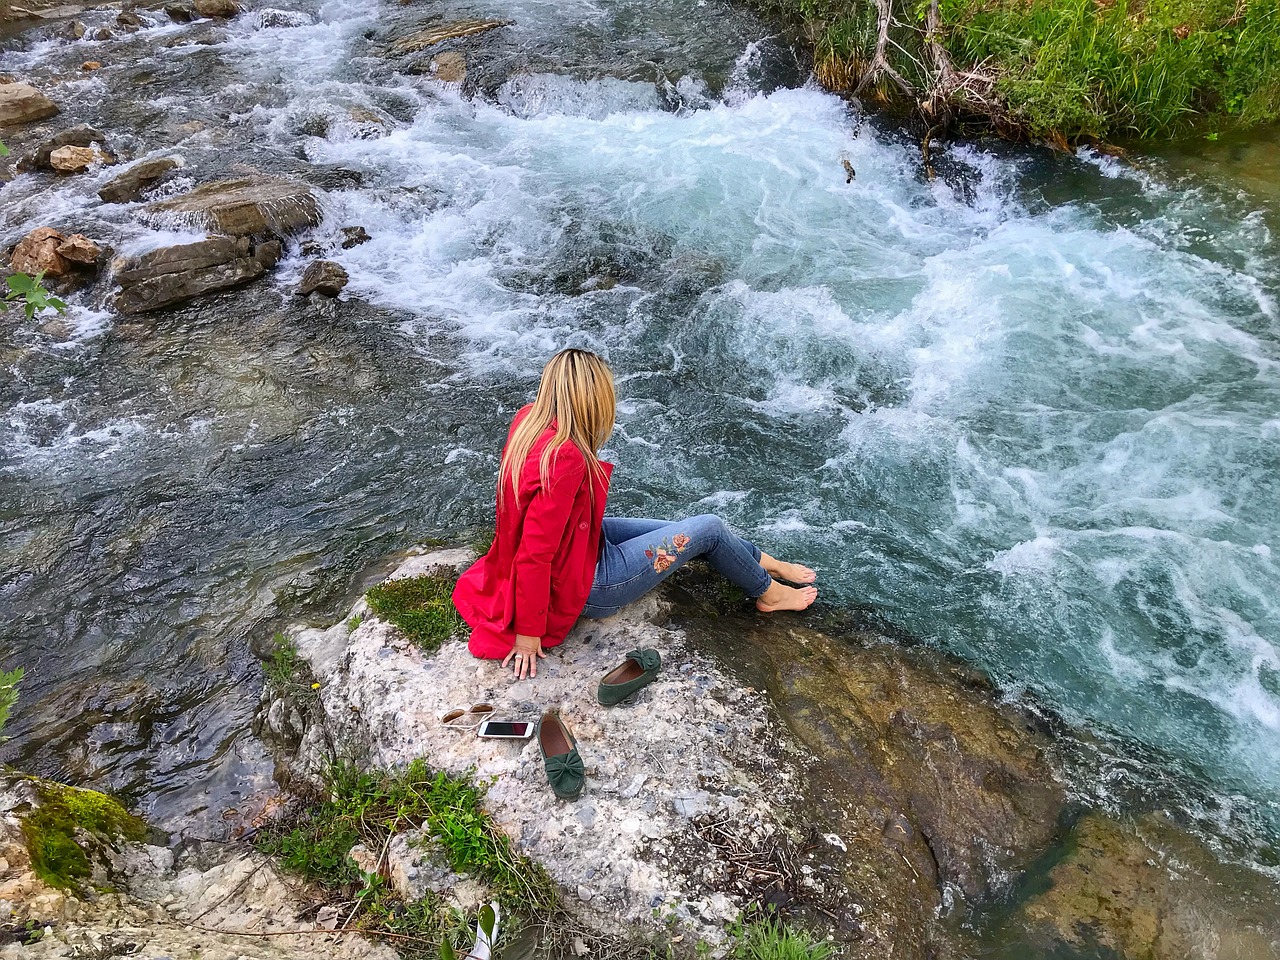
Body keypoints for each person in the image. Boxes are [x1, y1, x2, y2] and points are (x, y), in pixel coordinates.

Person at [451, 348, 818, 679]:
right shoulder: (566, 457)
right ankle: (768, 592)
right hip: (591, 584)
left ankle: (761, 561)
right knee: (708, 526)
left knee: (689, 531)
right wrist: (529, 635)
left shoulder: (528, 421)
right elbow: (535, 554)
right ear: (593, 403)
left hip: (581, 544)